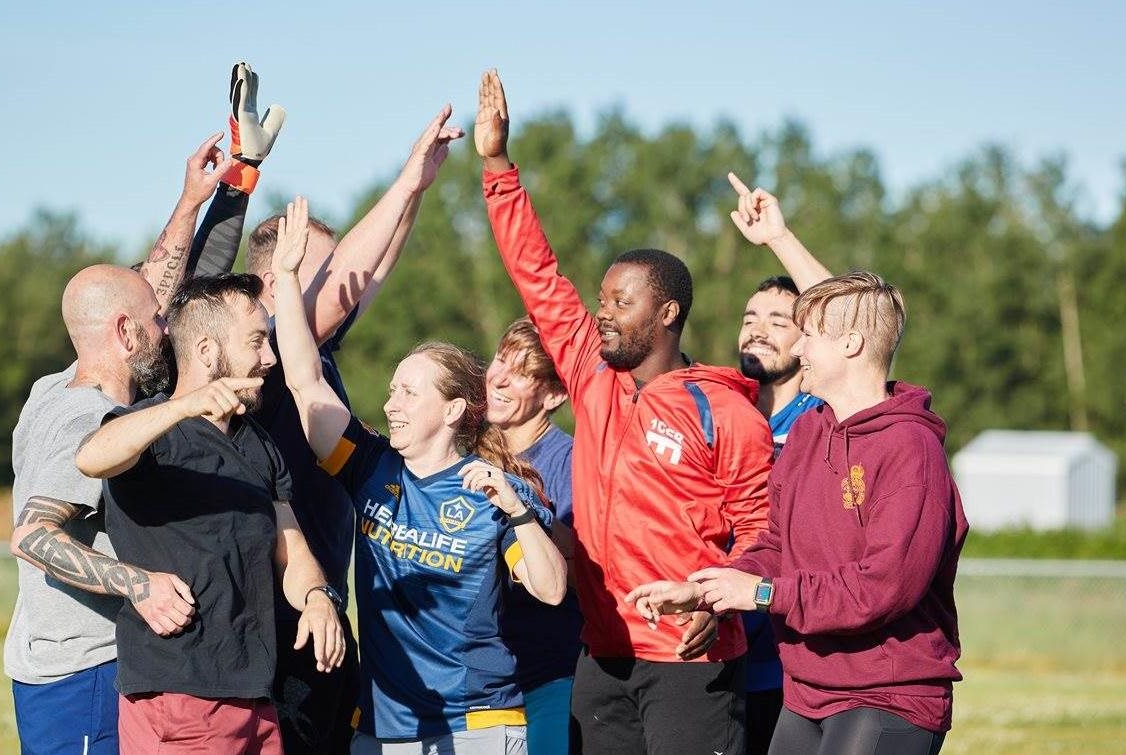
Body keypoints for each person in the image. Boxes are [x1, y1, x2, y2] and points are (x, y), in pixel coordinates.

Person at [475, 69, 773, 754]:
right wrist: (497, 165)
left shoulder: (726, 412)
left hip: (689, 660)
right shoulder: (589, 372)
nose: (602, 312)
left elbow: (762, 533)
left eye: (621, 301)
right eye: (603, 299)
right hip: (601, 654)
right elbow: (537, 274)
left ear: (666, 313)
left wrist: (714, 598)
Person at [187, 92, 463, 753]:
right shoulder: (267, 354)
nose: (344, 292)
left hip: (324, 613)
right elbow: (349, 277)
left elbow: (368, 272)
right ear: (273, 282)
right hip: (280, 626)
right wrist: (402, 180)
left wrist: (417, 188)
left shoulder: (315, 350)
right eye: (316, 275)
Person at [272, 197, 567, 755]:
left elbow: (551, 589)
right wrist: (286, 278)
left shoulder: (493, 489)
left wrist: (518, 508)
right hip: (383, 728)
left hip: (478, 725)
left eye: (409, 391)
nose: (392, 403)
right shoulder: (370, 466)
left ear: (454, 409)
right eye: (392, 390)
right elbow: (304, 381)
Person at [628, 272, 967, 755]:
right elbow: (775, 544)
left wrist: (763, 594)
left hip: (887, 696)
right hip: (805, 693)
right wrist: (709, 589)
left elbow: (884, 587)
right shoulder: (810, 432)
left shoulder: (911, 448)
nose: (799, 347)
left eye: (809, 334)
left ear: (850, 343)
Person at [3, 135, 234, 755]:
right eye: (157, 322)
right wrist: (142, 585)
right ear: (126, 334)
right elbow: (32, 537)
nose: (168, 326)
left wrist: (195, 202)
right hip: (82, 674)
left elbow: (149, 291)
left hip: (76, 670)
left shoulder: (54, 386)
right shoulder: (86, 417)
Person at [76, 273, 345, 753]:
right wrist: (186, 406)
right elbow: (93, 457)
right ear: (205, 352)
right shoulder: (147, 430)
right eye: (257, 341)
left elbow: (292, 550)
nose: (270, 358)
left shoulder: (259, 444)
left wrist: (319, 597)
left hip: (255, 698)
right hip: (180, 697)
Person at [728, 173, 832, 755]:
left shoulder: (825, 413)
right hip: (719, 653)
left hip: (790, 664)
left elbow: (850, 323)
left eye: (778, 322)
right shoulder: (721, 408)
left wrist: (779, 237)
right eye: (749, 318)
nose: (757, 330)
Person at [484, 318, 581, 755]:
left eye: (522, 372)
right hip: (475, 689)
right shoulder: (462, 450)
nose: (499, 377)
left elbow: (584, 573)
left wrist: (523, 506)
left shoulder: (571, 462)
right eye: (501, 359)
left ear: (555, 394)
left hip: (546, 678)